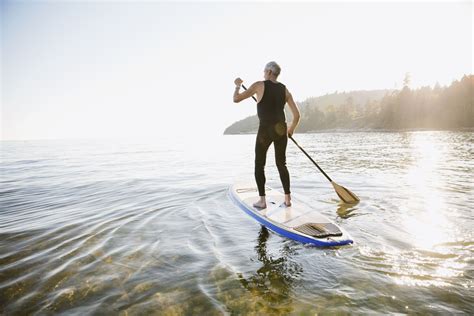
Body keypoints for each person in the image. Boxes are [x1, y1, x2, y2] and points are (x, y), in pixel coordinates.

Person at [233, 61, 300, 209]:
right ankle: (288, 199)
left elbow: (236, 99)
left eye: (264, 71)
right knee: (281, 164)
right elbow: (296, 115)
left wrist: (238, 85)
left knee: (259, 164)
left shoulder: (259, 85)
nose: (263, 73)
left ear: (269, 72)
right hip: (281, 129)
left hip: (265, 130)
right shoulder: (284, 90)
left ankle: (262, 201)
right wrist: (291, 129)